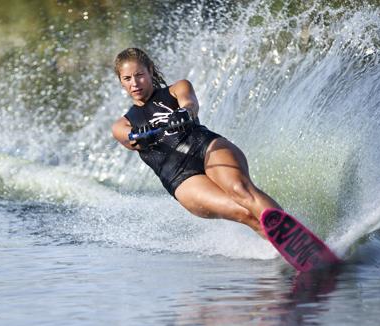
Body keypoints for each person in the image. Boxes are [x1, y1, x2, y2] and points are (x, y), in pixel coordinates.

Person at [111, 47, 282, 236]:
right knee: (243, 213)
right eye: (127, 79)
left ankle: (290, 232)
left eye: (139, 75)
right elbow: (127, 137)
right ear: (121, 81)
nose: (135, 83)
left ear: (150, 70)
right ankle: (290, 250)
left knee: (241, 190)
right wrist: (139, 137)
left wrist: (184, 112)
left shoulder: (178, 88)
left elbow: (190, 103)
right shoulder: (122, 123)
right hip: (180, 176)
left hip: (205, 147)